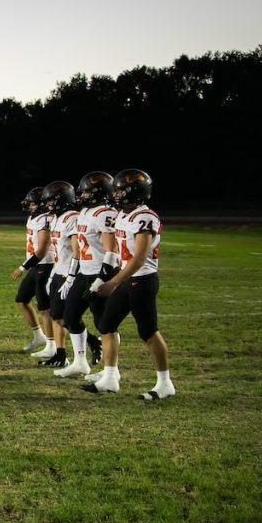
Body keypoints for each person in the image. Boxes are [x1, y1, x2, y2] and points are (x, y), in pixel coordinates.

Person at [90, 169, 175, 399]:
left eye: (121, 190)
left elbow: (139, 259)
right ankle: (109, 378)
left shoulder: (145, 217)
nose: (116, 194)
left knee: (148, 331)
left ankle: (165, 383)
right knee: (106, 324)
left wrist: (113, 282)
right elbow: (120, 253)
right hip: (127, 278)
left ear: (136, 192)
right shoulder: (123, 215)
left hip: (142, 280)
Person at [54, 172, 115, 379]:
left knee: (104, 325)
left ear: (99, 192)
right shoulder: (83, 213)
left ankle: (111, 371)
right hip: (83, 272)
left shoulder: (105, 213)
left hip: (99, 273)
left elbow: (111, 251)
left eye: (88, 191)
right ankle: (80, 362)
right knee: (69, 317)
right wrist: (71, 275)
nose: (83, 195)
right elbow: (78, 249)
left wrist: (102, 279)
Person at [38, 181, 80, 369]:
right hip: (59, 271)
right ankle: (60, 354)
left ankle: (93, 343)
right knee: (56, 315)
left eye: (52, 200)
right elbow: (58, 252)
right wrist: (53, 274)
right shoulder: (57, 218)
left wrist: (71, 276)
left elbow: (76, 251)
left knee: (67, 318)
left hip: (69, 273)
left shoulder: (72, 218)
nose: (49, 204)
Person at [10, 187, 53, 355]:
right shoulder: (33, 218)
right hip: (36, 265)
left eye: (33, 203)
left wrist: (22, 267)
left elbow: (42, 250)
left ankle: (52, 345)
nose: (30, 206)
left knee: (45, 308)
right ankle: (39, 336)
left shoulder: (45, 219)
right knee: (22, 300)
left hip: (46, 265)